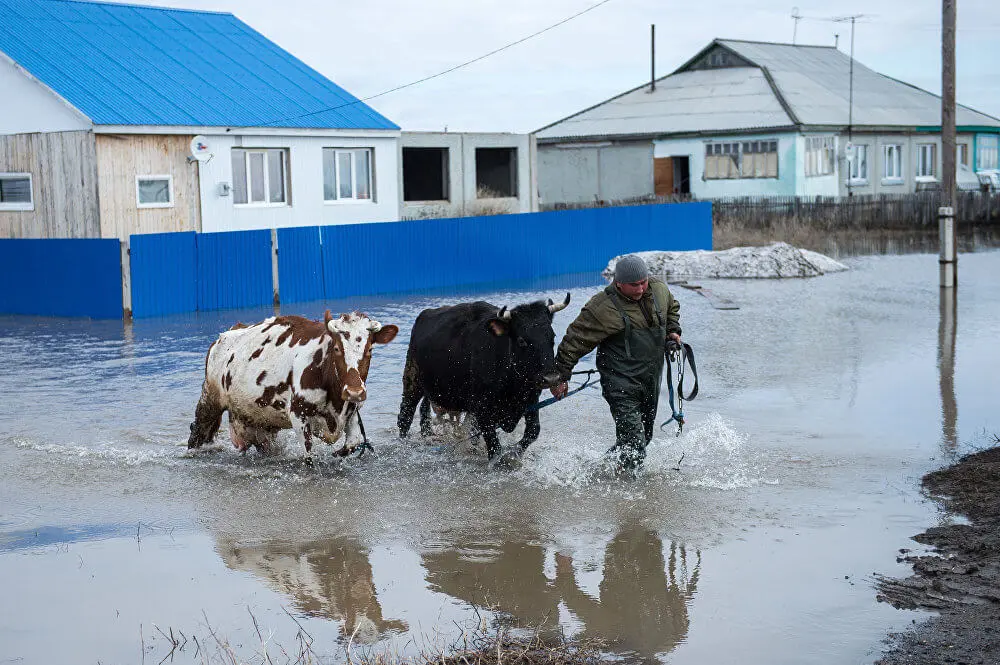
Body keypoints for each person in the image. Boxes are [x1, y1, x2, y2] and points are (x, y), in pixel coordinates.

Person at [551, 254, 681, 472]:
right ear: (618, 283)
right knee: (634, 444)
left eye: (643, 282)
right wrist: (560, 376)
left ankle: (602, 469)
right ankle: (631, 497)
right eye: (633, 285)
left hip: (651, 377)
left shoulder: (659, 289)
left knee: (644, 437)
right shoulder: (602, 308)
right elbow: (575, 341)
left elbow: (672, 309)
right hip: (620, 382)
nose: (640, 289)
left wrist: (672, 332)